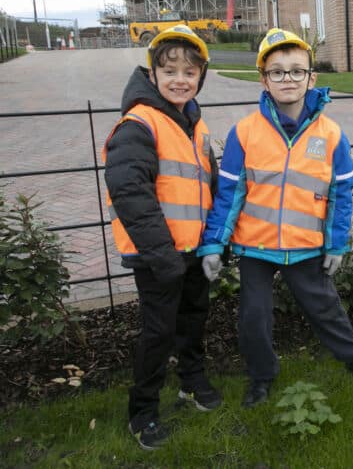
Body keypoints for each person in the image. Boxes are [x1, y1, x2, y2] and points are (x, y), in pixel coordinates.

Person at [198, 28, 353, 409]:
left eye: (296, 71)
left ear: (311, 78)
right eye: (277, 71)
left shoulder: (333, 135)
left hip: (306, 247)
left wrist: (336, 243)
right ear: (263, 78)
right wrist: (213, 245)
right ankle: (261, 377)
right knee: (253, 318)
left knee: (326, 309)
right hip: (256, 247)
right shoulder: (244, 133)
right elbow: (229, 194)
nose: (287, 79)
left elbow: (339, 195)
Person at [103, 25, 222, 451]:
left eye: (190, 72)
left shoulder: (194, 121)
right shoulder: (139, 123)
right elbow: (130, 193)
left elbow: (205, 184)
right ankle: (143, 412)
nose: (180, 80)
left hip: (192, 252)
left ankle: (191, 383)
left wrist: (212, 243)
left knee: (193, 321)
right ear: (151, 73)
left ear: (200, 78)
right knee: (157, 333)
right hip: (159, 257)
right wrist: (164, 256)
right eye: (169, 70)